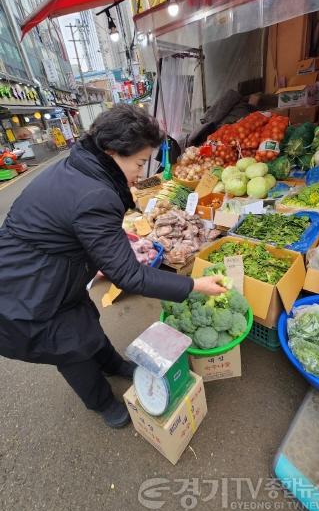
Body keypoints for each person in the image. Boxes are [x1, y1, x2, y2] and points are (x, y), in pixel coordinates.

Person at [0, 105, 225, 429]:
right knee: (69, 347)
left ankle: (111, 363)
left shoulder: (83, 168)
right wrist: (195, 286)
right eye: (137, 163)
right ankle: (103, 403)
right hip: (26, 288)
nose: (139, 172)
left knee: (83, 317)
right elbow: (128, 275)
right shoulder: (93, 193)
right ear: (111, 152)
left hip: (54, 272)